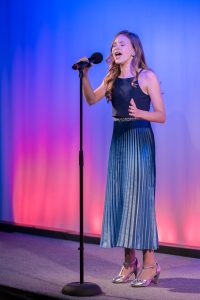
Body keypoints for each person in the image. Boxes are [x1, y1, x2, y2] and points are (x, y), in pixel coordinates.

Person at [82, 30, 166, 287]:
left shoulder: (147, 77)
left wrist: (141, 113)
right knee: (121, 199)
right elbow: (91, 99)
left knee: (139, 201)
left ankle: (150, 265)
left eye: (122, 44)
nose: (116, 47)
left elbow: (161, 115)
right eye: (113, 44)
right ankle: (130, 263)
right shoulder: (111, 79)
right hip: (119, 139)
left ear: (133, 49)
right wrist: (84, 75)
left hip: (139, 138)